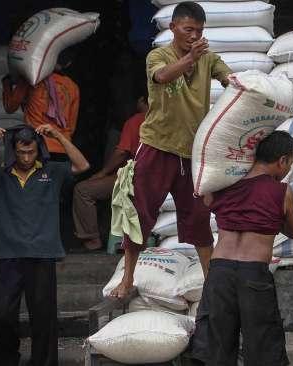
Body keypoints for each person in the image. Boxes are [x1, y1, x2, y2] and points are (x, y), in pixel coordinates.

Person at [109, 1, 232, 298]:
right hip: (157, 146)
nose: (194, 35)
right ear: (173, 27)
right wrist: (190, 57)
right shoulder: (158, 55)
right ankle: (127, 279)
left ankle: (210, 282)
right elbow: (162, 77)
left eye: (199, 31)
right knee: (140, 215)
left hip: (192, 152)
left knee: (200, 217)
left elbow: (231, 81)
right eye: (188, 29)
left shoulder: (208, 58)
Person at [0, 124, 89, 366]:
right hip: (9, 254)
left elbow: (82, 165)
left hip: (42, 253)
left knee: (43, 317)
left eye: (31, 152)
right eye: (21, 153)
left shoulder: (52, 171)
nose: (25, 158)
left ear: (38, 150)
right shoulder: (2, 174)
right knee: (2, 313)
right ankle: (6, 360)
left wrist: (58, 136)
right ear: (13, 151)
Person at [192, 131, 293, 366]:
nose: (288, 169)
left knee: (215, 348)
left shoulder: (225, 184)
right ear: (281, 161)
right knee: (264, 348)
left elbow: (207, 200)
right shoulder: (282, 192)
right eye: (290, 163)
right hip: (254, 275)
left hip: (219, 272)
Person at [73, 93, 148, 250]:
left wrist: (102, 173)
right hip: (157, 178)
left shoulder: (136, 120)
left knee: (83, 190)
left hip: (135, 177)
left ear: (141, 99)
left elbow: (121, 152)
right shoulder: (167, 119)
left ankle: (91, 240)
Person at [2, 49, 80, 159]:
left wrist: (6, 83)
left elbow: (10, 107)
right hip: (63, 149)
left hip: (36, 147)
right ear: (69, 63)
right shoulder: (73, 87)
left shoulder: (32, 77)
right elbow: (71, 127)